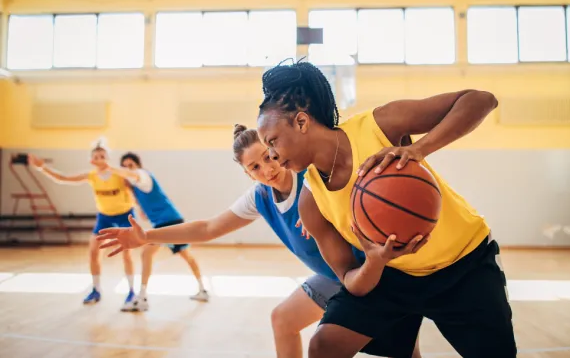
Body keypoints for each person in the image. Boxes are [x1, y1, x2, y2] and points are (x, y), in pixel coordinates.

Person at [256, 61, 517, 358]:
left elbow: (481, 100)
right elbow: (350, 280)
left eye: (272, 141)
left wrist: (419, 149)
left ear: (301, 122)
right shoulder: (310, 203)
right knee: (325, 345)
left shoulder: (379, 125)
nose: (273, 156)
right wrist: (374, 262)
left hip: (465, 266)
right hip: (393, 276)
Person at [96, 125, 423, 358]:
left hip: (363, 272)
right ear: (247, 173)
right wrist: (147, 236)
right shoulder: (259, 197)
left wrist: (327, 217)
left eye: (269, 157)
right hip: (331, 277)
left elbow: (356, 202)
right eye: (255, 166)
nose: (268, 168)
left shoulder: (309, 178)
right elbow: (207, 228)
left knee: (403, 351)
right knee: (283, 320)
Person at [28, 139, 136, 310]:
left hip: (124, 215)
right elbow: (62, 178)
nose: (100, 158)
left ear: (108, 158)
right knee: (93, 251)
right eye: (96, 156)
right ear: (91, 160)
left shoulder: (118, 174)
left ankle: (131, 291)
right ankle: (96, 289)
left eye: (103, 155)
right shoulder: (91, 176)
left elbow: (135, 183)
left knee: (126, 254)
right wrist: (42, 167)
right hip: (105, 217)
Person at [102, 151, 209, 311]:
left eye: (130, 165)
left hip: (169, 221)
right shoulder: (136, 186)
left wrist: (108, 167)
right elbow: (143, 210)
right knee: (184, 255)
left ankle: (142, 298)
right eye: (124, 166)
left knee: (147, 253)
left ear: (138, 166)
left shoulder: (143, 176)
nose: (127, 169)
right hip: (165, 222)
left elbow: (131, 175)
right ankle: (203, 289)